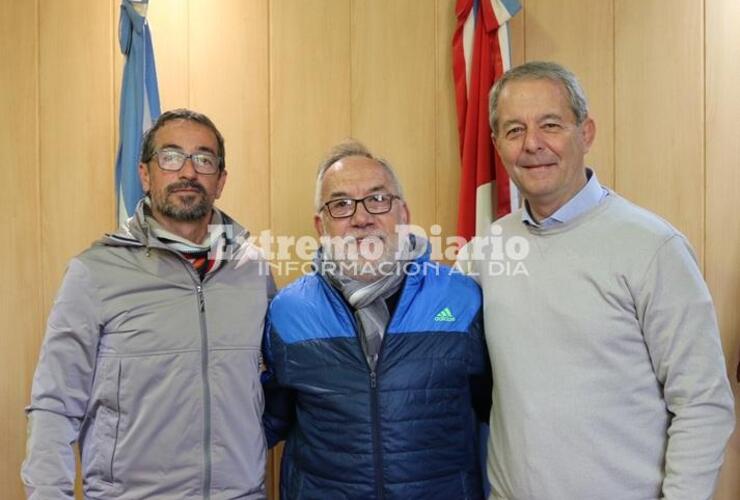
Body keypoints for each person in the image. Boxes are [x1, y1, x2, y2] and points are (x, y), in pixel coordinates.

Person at [469, 61, 735, 499]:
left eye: (550, 125)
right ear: (498, 145)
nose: (532, 144)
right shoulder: (487, 251)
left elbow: (703, 403)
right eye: (514, 130)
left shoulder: (653, 247)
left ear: (586, 133)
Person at [22, 109, 275, 499]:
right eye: (171, 157)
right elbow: (55, 404)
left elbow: (276, 387)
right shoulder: (95, 272)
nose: (188, 172)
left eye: (204, 159)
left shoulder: (254, 271)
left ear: (221, 180)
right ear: (145, 174)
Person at [262, 140, 492, 499]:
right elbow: (272, 417)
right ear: (321, 226)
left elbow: (493, 410)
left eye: (378, 199)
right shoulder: (287, 311)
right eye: (341, 205)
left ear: (404, 215)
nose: (361, 218)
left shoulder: (462, 299)